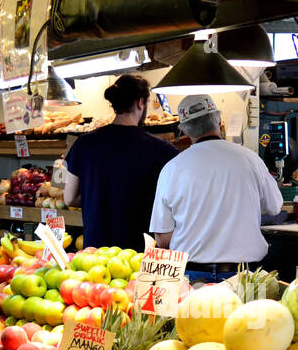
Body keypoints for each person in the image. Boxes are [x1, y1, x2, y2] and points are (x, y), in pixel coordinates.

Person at [150, 94, 284, 283]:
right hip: (245, 278)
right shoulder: (251, 159)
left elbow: (162, 239)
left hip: (191, 277)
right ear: (219, 121)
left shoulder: (171, 169)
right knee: (250, 314)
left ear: (185, 131)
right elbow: (275, 207)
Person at [63, 74, 178, 251]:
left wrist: (98, 197)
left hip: (96, 253)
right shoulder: (162, 150)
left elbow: (69, 198)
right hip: (140, 253)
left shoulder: (83, 145)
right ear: (141, 103)